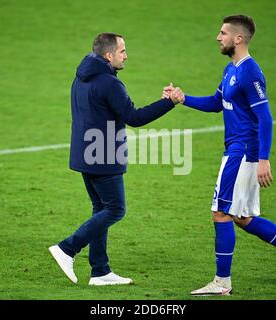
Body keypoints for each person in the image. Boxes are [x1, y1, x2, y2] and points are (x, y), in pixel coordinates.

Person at [163, 15, 276, 295]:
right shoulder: (230, 69)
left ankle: (222, 282)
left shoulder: (250, 72)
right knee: (242, 217)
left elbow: (266, 118)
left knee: (221, 213)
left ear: (238, 38)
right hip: (236, 152)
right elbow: (216, 103)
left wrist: (263, 159)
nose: (218, 37)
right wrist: (183, 99)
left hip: (243, 153)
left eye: (223, 33)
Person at [49, 33, 184, 286]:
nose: (126, 55)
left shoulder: (81, 76)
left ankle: (100, 271)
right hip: (103, 156)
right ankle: (67, 248)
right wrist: (169, 102)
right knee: (115, 209)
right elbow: (134, 117)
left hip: (84, 154)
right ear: (109, 55)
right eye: (122, 51)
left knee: (101, 208)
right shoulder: (110, 84)